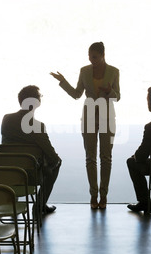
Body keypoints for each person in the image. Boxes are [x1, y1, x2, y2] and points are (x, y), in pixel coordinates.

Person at [50, 42, 120, 209]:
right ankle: (93, 196)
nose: (91, 60)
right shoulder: (84, 71)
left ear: (103, 55)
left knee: (106, 158)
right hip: (88, 116)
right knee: (90, 158)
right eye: (89, 56)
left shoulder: (114, 71)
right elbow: (76, 94)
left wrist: (109, 90)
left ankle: (104, 196)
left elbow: (117, 97)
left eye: (94, 57)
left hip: (107, 116)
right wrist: (63, 81)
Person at [1, 85, 62, 214]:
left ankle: (13, 203)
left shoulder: (6, 119)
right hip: (30, 176)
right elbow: (52, 156)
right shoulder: (37, 126)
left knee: (14, 158)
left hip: (6, 173)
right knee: (57, 162)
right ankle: (39, 206)